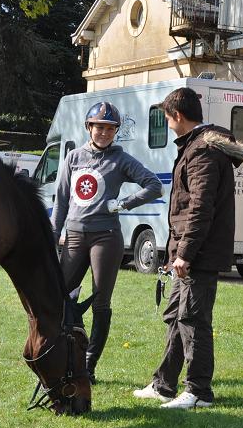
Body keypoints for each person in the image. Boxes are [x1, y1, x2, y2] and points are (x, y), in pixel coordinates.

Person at [133, 86, 243, 409]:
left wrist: (185, 253)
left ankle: (199, 392)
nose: (168, 124)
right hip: (187, 254)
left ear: (178, 117)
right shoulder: (196, 146)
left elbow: (200, 207)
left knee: (193, 319)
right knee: (176, 316)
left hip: (197, 255)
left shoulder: (201, 151)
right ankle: (164, 385)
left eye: (168, 119)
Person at [52, 101, 162, 384]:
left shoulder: (121, 160)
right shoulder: (73, 157)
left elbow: (154, 185)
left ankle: (88, 366)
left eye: (110, 128)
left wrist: (123, 204)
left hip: (106, 237)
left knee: (101, 301)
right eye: (99, 127)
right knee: (62, 298)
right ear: (89, 127)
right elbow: (61, 201)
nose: (104, 133)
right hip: (75, 236)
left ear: (115, 132)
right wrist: (54, 235)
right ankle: (66, 357)